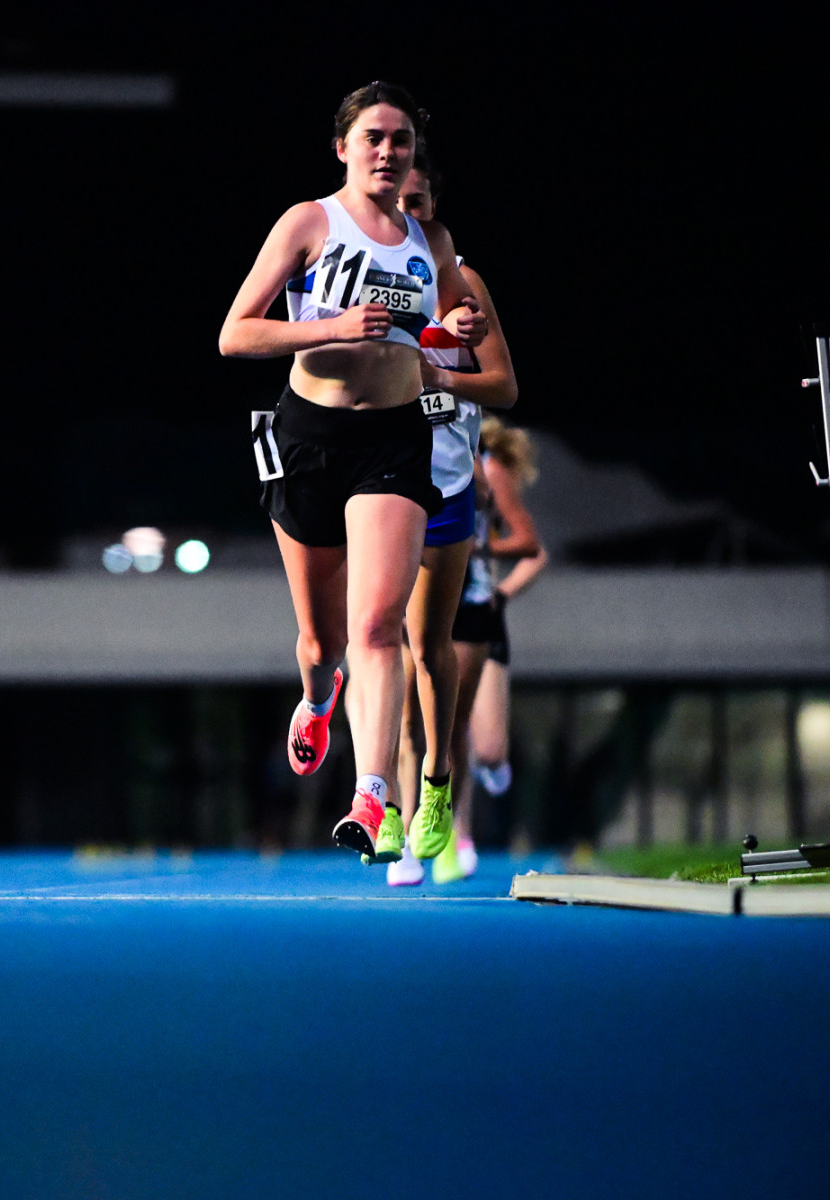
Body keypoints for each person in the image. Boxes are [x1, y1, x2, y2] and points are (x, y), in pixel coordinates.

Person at [219, 82, 485, 864]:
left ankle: (372, 795)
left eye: (401, 139)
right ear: (343, 147)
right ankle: (316, 697)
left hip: (393, 442)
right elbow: (235, 334)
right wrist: (331, 327)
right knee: (321, 641)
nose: (387, 152)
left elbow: (444, 336)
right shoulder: (309, 222)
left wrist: (457, 327)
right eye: (373, 137)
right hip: (308, 436)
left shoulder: (430, 240)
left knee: (376, 626)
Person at [353, 155, 519, 881]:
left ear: (434, 209)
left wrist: (441, 372)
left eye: (418, 203)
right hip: (375, 479)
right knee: (375, 638)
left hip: (446, 484)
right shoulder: (360, 271)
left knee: (428, 648)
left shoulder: (461, 281)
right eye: (396, 202)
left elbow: (505, 387)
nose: (406, 214)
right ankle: (382, 802)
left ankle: (438, 781)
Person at [408, 415, 545, 883]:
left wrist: (479, 558)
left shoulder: (487, 467)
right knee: (434, 728)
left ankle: (487, 770)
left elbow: (530, 545)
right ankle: (448, 835)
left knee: (480, 743)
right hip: (427, 603)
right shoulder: (410, 452)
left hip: (476, 606)